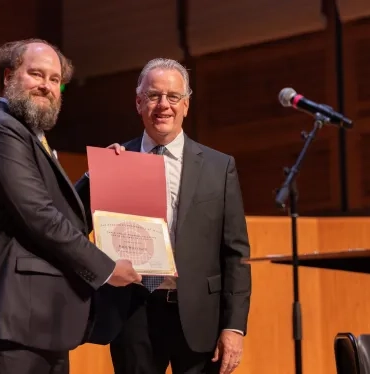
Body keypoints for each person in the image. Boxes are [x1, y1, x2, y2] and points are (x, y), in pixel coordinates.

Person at [0, 38, 141, 374]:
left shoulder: (29, 134)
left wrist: (99, 177)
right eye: (36, 74)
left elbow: (60, 212)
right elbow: (39, 215)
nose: (46, 86)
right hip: (11, 322)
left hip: (39, 322)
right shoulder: (2, 131)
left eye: (55, 80)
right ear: (9, 76)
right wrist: (107, 268)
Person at [76, 58, 252, 374]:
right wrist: (96, 176)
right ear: (138, 102)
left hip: (200, 316)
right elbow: (74, 225)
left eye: (173, 97)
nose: (163, 105)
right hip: (133, 313)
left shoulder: (219, 167)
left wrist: (234, 327)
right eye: (154, 95)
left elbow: (236, 254)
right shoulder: (117, 160)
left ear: (186, 104)